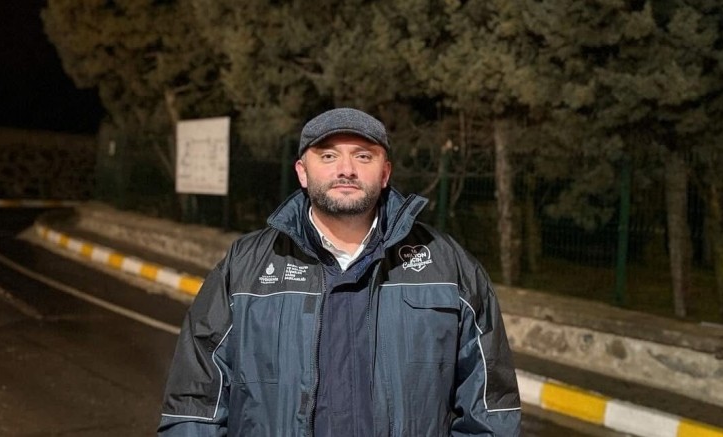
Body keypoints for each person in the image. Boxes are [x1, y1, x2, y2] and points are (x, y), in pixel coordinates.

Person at [158, 108, 522, 436]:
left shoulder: (448, 265)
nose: (346, 169)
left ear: (385, 172)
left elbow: (491, 409)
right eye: (328, 155)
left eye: (363, 156)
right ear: (302, 172)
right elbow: (195, 402)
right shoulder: (245, 265)